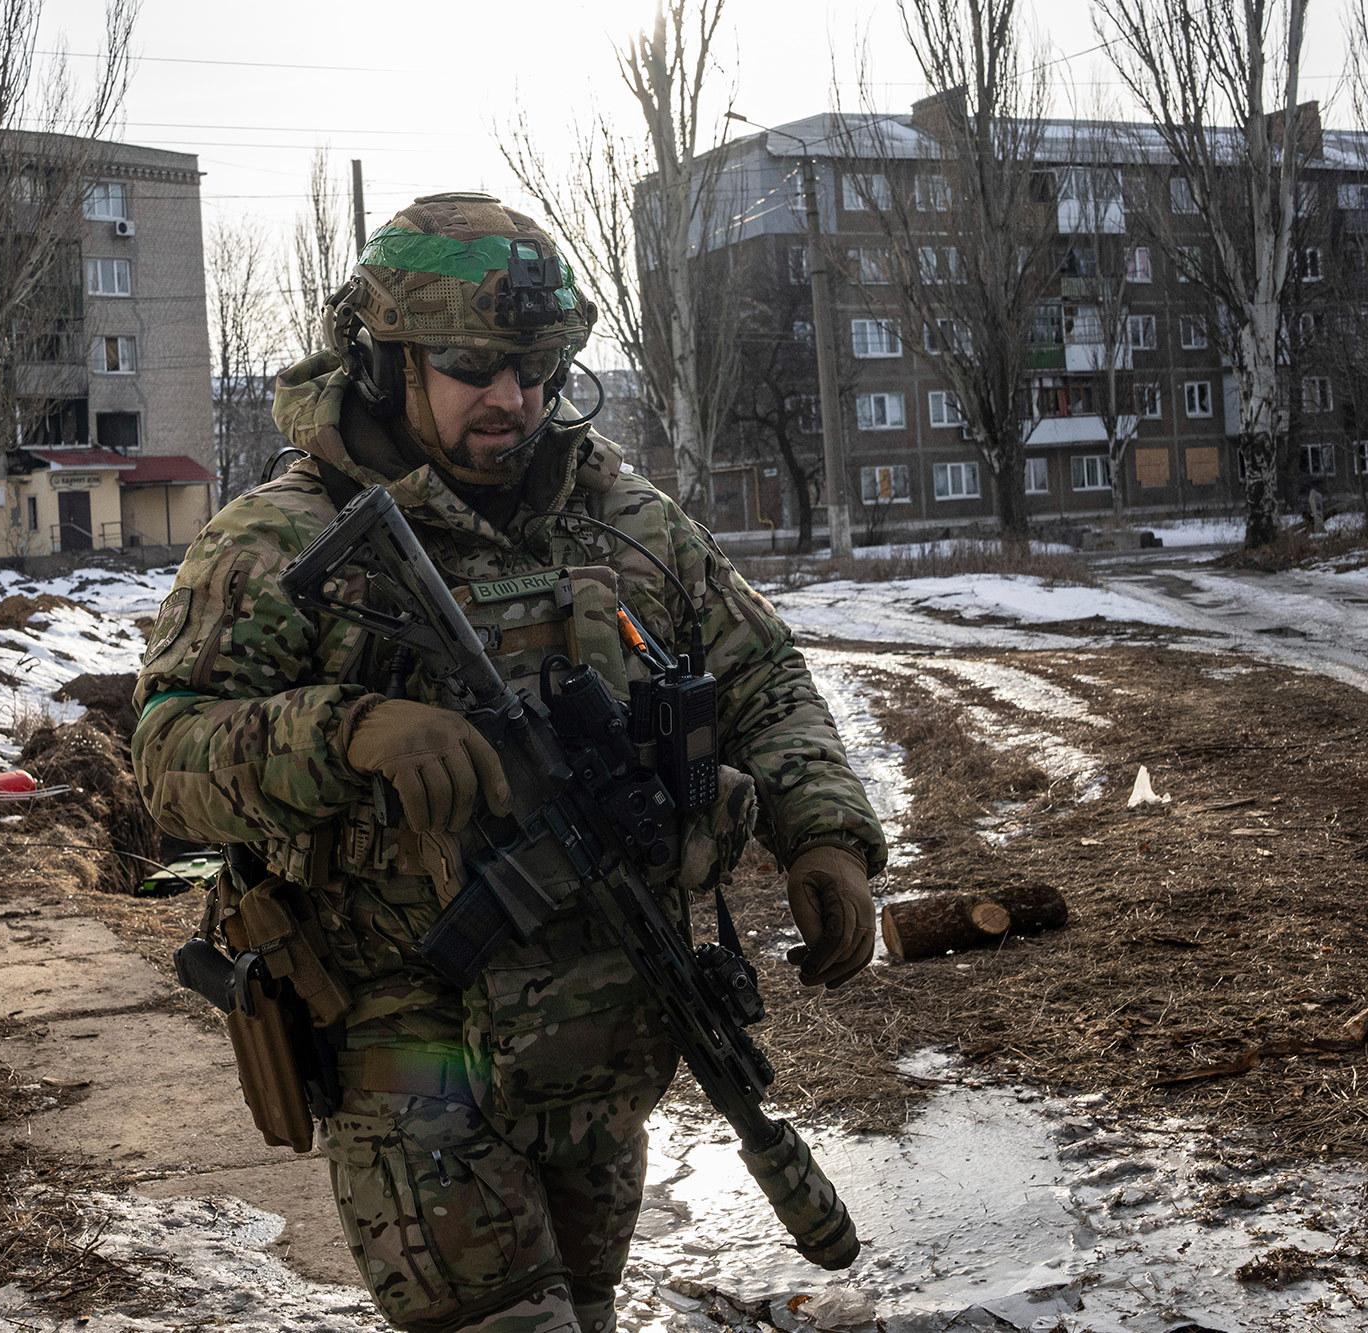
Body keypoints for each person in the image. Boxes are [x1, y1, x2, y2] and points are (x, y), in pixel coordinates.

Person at [132, 193, 886, 1333]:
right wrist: (348, 730)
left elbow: (762, 681)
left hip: (602, 1048)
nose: (513, 399)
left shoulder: (623, 520)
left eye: (535, 368)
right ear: (385, 360)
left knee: (583, 1315)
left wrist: (823, 833)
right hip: (411, 1055)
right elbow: (167, 753)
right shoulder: (277, 537)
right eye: (473, 366)